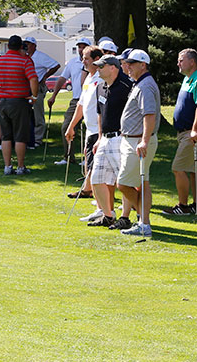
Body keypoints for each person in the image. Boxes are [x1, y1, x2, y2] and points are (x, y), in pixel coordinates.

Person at [116, 49, 161, 238]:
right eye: (128, 63)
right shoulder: (140, 83)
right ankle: (144, 222)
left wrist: (144, 141)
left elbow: (149, 115)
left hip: (139, 141)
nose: (128, 67)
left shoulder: (145, 86)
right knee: (143, 183)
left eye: (132, 64)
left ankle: (143, 218)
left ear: (143, 65)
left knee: (123, 184)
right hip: (134, 139)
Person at [87, 55, 134, 227]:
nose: (98, 69)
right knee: (96, 179)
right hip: (105, 139)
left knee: (124, 180)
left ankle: (125, 217)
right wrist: (99, 138)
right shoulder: (100, 87)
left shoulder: (126, 85)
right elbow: (100, 115)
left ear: (113, 67)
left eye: (101, 66)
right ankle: (108, 215)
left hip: (121, 138)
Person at [165, 48, 197, 216]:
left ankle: (182, 206)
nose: (178, 63)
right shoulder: (188, 80)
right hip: (185, 132)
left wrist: (195, 130)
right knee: (194, 169)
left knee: (178, 168)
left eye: (181, 60)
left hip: (192, 133)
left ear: (192, 62)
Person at [0, 34, 38, 175]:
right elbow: (33, 79)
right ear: (20, 46)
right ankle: (21, 167)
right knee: (20, 136)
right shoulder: (25, 61)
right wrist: (34, 96)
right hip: (19, 101)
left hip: (3, 101)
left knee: (6, 136)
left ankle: (7, 166)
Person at [64, 45, 105, 204]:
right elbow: (81, 104)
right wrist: (71, 125)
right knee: (88, 160)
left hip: (99, 129)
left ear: (96, 60)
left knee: (96, 165)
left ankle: (100, 198)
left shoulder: (101, 78)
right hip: (90, 129)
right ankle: (88, 190)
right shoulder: (88, 77)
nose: (83, 61)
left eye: (86, 58)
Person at [48, 36, 91, 165]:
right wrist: (54, 95)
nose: (81, 49)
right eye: (80, 47)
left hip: (92, 100)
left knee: (92, 129)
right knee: (66, 127)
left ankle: (89, 158)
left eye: (84, 47)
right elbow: (62, 78)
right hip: (76, 100)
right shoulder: (73, 63)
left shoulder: (95, 63)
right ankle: (68, 157)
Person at [23, 36, 60, 147]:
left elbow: (56, 65)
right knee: (25, 114)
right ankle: (27, 138)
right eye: (25, 44)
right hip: (25, 88)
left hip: (37, 87)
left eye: (28, 44)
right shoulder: (24, 56)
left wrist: (45, 77)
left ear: (34, 46)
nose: (26, 46)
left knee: (38, 113)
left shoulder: (40, 56)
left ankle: (37, 139)